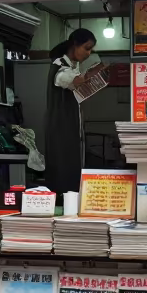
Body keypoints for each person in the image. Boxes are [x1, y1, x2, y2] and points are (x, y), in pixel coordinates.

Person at [44, 28, 101, 196]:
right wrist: (91, 74)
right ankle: (62, 200)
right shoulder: (59, 65)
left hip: (70, 128)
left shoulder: (72, 67)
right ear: (74, 45)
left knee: (72, 164)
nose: (89, 53)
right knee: (63, 166)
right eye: (87, 48)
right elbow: (70, 81)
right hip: (60, 128)